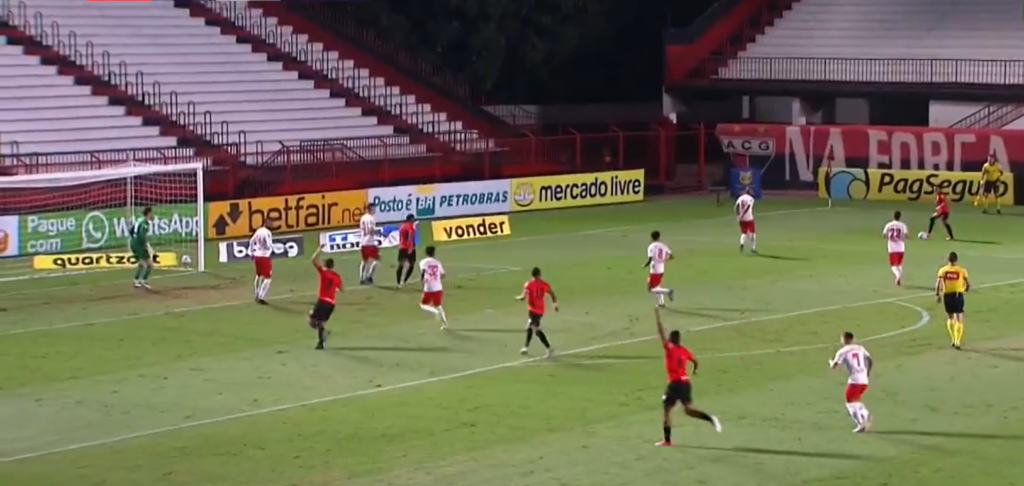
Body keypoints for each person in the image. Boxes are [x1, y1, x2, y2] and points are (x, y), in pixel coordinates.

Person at [654, 307, 721, 447]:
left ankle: (667, 440)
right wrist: (694, 370)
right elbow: (695, 361)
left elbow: (660, 332)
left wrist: (657, 315)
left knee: (666, 410)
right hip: (686, 382)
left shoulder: (669, 348)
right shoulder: (684, 351)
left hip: (675, 383)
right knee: (689, 409)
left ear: (671, 339)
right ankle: (710, 418)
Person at [829, 332, 874, 433]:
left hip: (855, 380)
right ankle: (865, 415)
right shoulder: (860, 348)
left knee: (850, 402)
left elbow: (834, 367)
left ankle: (861, 422)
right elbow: (870, 360)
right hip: (864, 380)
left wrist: (831, 362)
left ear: (844, 339)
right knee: (855, 400)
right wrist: (867, 372)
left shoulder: (842, 351)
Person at [516, 267, 557, 357]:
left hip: (533, 310)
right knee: (530, 327)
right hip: (540, 310)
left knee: (535, 328)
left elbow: (523, 297)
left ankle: (549, 348)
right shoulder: (544, 284)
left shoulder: (528, 284)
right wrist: (554, 304)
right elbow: (552, 294)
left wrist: (518, 298)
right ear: (539, 274)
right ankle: (525, 347)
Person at [310, 245, 343, 350]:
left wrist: (319, 249)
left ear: (325, 265)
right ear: (333, 266)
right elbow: (342, 289)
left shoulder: (323, 272)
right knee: (321, 322)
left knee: (312, 321)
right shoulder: (337, 276)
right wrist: (335, 288)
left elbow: (313, 260)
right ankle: (321, 342)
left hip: (322, 301)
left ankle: (323, 334)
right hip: (331, 304)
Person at [936, 251, 969, 349]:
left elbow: (938, 283)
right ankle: (957, 341)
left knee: (950, 317)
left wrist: (937, 294)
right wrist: (966, 288)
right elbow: (967, 283)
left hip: (947, 295)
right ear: (956, 260)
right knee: (959, 318)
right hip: (958, 295)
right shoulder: (961, 270)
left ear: (948, 259)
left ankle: (953, 338)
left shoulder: (943, 270)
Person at [418, 246, 448, 329]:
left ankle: (435, 312)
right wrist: (437, 278)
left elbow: (423, 272)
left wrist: (422, 281)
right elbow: (443, 275)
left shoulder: (423, 262)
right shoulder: (437, 262)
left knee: (423, 305)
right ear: (434, 253)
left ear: (426, 253)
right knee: (439, 306)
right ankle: (444, 324)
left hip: (429, 287)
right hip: (438, 287)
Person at [644, 231, 674, 307]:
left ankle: (668, 291)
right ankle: (661, 303)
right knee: (657, 286)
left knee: (650, 288)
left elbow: (650, 258)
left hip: (654, 269)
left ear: (651, 237)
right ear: (659, 237)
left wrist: (645, 265)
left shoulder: (651, 246)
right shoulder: (663, 245)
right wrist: (664, 260)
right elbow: (671, 256)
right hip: (661, 268)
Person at [129, 206, 155, 289]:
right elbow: (141, 236)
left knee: (143, 263)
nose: (152, 215)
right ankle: (141, 280)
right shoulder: (145, 223)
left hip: (133, 242)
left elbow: (131, 230)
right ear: (149, 213)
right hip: (139, 244)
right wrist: (147, 246)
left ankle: (139, 280)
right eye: (151, 213)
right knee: (148, 264)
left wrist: (133, 239)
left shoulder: (139, 220)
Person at [250, 222, 274, 304]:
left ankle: (256, 294)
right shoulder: (267, 232)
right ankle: (261, 296)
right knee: (268, 277)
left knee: (258, 275)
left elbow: (251, 241)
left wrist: (251, 252)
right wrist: (274, 248)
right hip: (264, 256)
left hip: (257, 255)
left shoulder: (258, 230)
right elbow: (269, 244)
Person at [882, 210, 908, 286]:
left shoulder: (889, 225)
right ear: (900, 217)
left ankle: (898, 275)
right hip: (901, 247)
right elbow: (906, 235)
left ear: (893, 216)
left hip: (892, 247)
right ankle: (899, 276)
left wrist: (889, 238)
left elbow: (884, 235)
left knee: (893, 265)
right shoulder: (903, 225)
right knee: (899, 264)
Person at [358, 203, 379, 285]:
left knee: (364, 261)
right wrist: (378, 233)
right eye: (374, 209)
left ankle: (361, 278)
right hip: (369, 243)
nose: (375, 210)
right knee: (377, 259)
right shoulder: (371, 218)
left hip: (363, 242)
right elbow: (371, 230)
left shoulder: (362, 218)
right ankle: (369, 276)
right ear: (370, 209)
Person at [396, 214, 417, 288]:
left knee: (400, 265)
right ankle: (404, 281)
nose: (414, 220)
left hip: (402, 247)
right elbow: (410, 236)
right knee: (411, 265)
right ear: (411, 219)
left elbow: (400, 236)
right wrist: (410, 247)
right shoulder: (410, 226)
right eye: (413, 219)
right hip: (409, 247)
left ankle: (398, 282)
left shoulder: (402, 226)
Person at [735, 187, 757, 253]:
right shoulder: (751, 199)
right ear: (749, 192)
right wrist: (743, 214)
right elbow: (748, 206)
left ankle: (742, 243)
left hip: (742, 219)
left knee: (743, 232)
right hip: (749, 218)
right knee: (753, 233)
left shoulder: (740, 198)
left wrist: (738, 215)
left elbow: (736, 207)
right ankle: (753, 248)